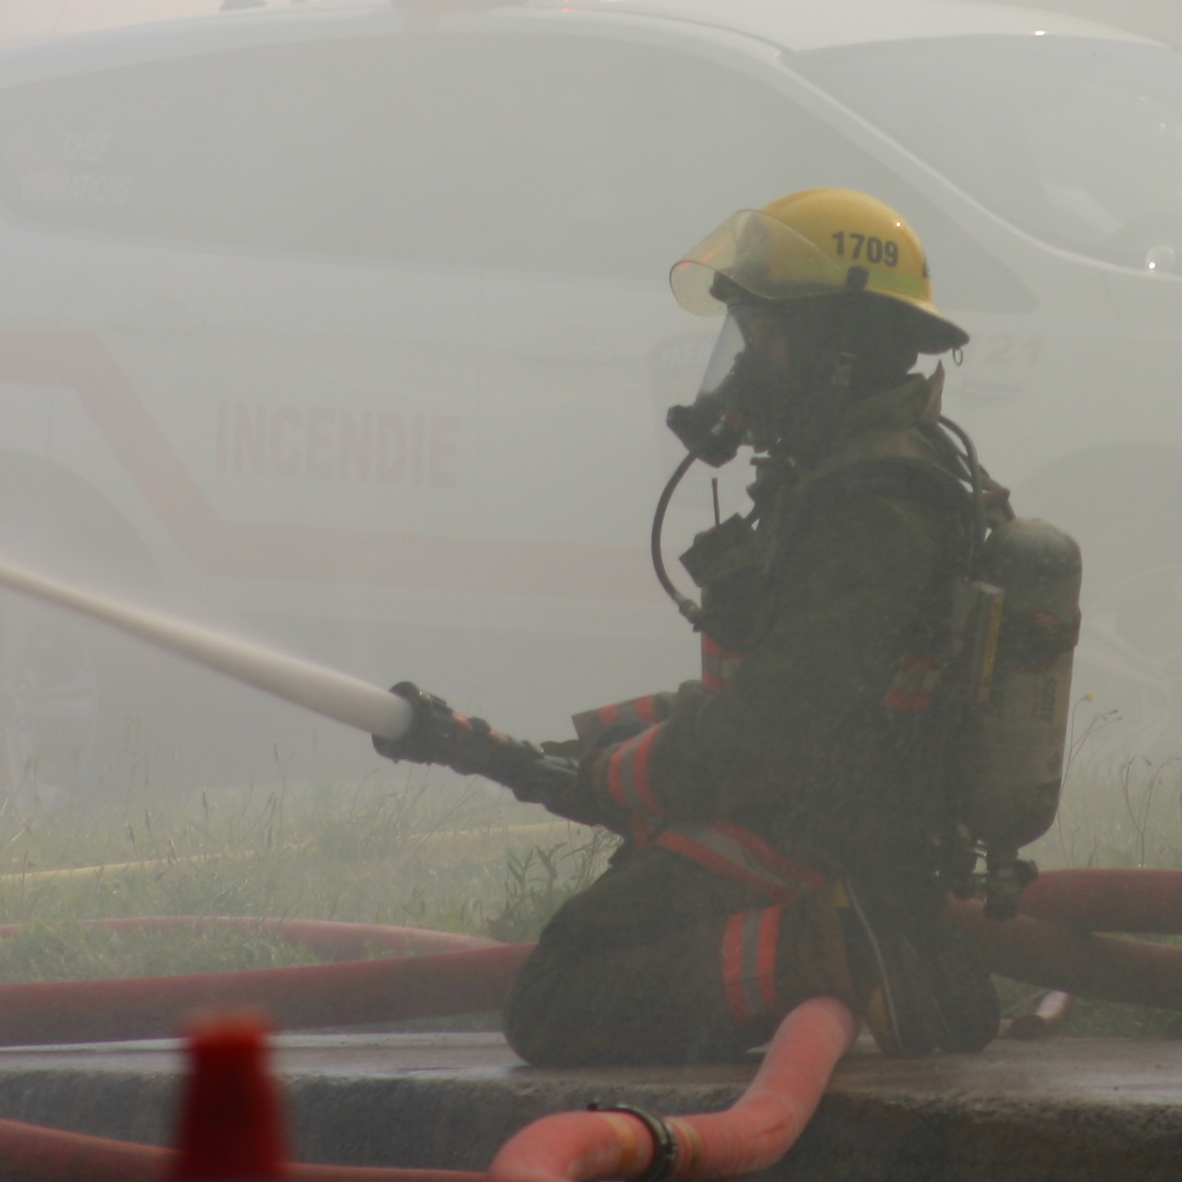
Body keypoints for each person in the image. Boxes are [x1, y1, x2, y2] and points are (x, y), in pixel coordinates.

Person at [378, 188, 1009, 1064]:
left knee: (559, 1002)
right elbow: (763, 690)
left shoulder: (875, 507)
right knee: (590, 952)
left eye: (766, 339)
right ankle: (837, 941)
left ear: (837, 351)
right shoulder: (847, 478)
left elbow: (773, 733)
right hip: (817, 812)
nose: (744, 369)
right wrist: (586, 750)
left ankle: (831, 949)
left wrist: (617, 779)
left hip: (826, 837)